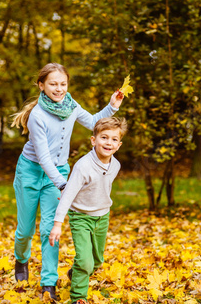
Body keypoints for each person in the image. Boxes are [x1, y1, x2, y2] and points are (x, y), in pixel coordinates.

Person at [11, 63, 124, 300]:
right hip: (31, 172)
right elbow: (42, 157)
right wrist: (64, 184)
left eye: (63, 83)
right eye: (53, 83)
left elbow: (94, 121)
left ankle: (48, 282)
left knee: (48, 230)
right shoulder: (37, 116)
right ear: (41, 86)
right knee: (25, 230)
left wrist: (112, 106)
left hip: (59, 171)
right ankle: (21, 260)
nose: (59, 88)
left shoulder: (71, 106)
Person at [49, 117, 128, 304]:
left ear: (119, 144)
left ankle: (74, 273)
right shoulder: (83, 166)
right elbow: (67, 195)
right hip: (81, 217)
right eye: (104, 137)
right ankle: (78, 297)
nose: (109, 142)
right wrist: (57, 224)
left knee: (97, 261)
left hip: (102, 216)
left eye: (114, 139)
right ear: (94, 140)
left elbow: (100, 188)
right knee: (85, 261)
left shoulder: (115, 165)